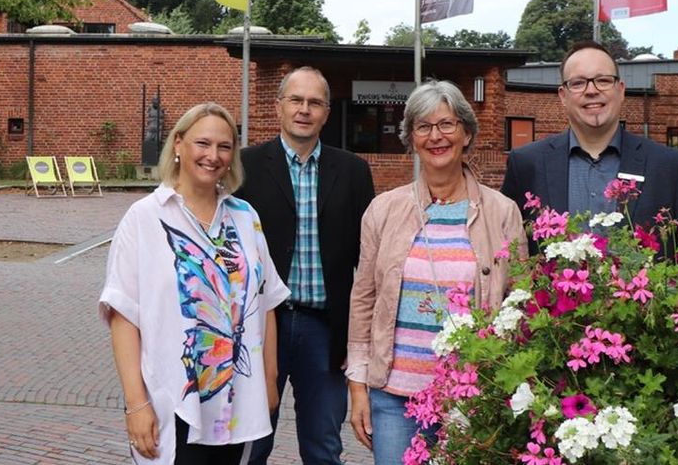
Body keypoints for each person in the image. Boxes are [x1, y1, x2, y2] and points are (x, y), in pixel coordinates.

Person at [346, 80, 527, 464]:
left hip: (474, 396)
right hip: (395, 396)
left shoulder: (502, 212)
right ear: (410, 138)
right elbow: (363, 299)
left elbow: (520, 302)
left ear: (466, 132)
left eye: (446, 124)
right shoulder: (383, 210)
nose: (436, 136)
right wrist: (357, 385)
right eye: (423, 127)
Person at [99, 103, 289, 464]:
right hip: (173, 400)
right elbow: (123, 315)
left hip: (238, 403)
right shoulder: (145, 217)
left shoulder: (245, 218)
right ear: (178, 144)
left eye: (224, 146)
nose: (213, 156)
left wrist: (269, 378)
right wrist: (135, 403)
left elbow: (267, 302)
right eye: (202, 143)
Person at [235, 66, 375, 464]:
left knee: (323, 447)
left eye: (315, 102)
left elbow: (368, 261)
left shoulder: (352, 171)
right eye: (296, 100)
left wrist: (361, 337)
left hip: (324, 330)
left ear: (327, 113)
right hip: (263, 328)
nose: (304, 110)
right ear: (279, 107)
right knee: (252, 442)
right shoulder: (245, 167)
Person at [501, 40, 678, 230]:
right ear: (563, 96)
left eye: (603, 80)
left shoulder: (669, 166)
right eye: (578, 83)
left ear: (621, 90)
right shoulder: (526, 165)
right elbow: (508, 247)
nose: (591, 91)